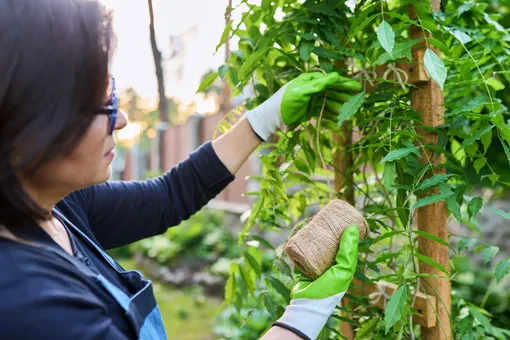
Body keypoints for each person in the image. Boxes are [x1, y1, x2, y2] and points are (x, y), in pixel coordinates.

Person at [0, 1, 359, 339]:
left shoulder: (58, 207)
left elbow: (168, 196)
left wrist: (264, 118)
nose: (122, 120)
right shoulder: (33, 307)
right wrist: (304, 318)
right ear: (32, 123)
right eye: (106, 105)